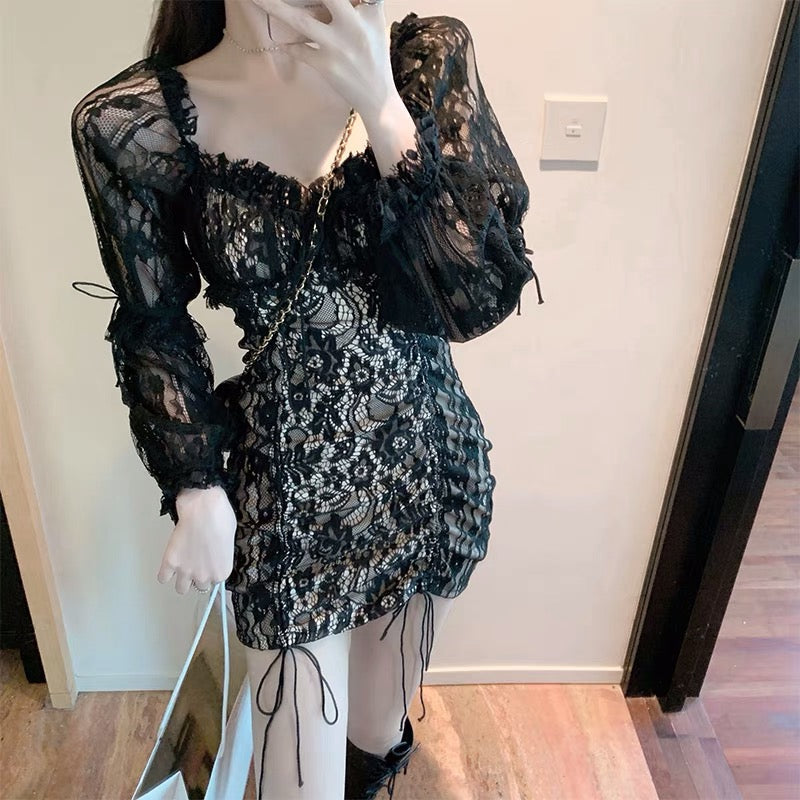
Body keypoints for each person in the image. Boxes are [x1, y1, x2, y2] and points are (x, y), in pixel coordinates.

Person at [69, 1, 543, 797]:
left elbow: (475, 296)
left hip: (425, 467)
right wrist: (195, 485)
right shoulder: (130, 124)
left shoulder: (425, 59)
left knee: (373, 743)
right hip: (289, 495)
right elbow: (155, 321)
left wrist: (382, 106)